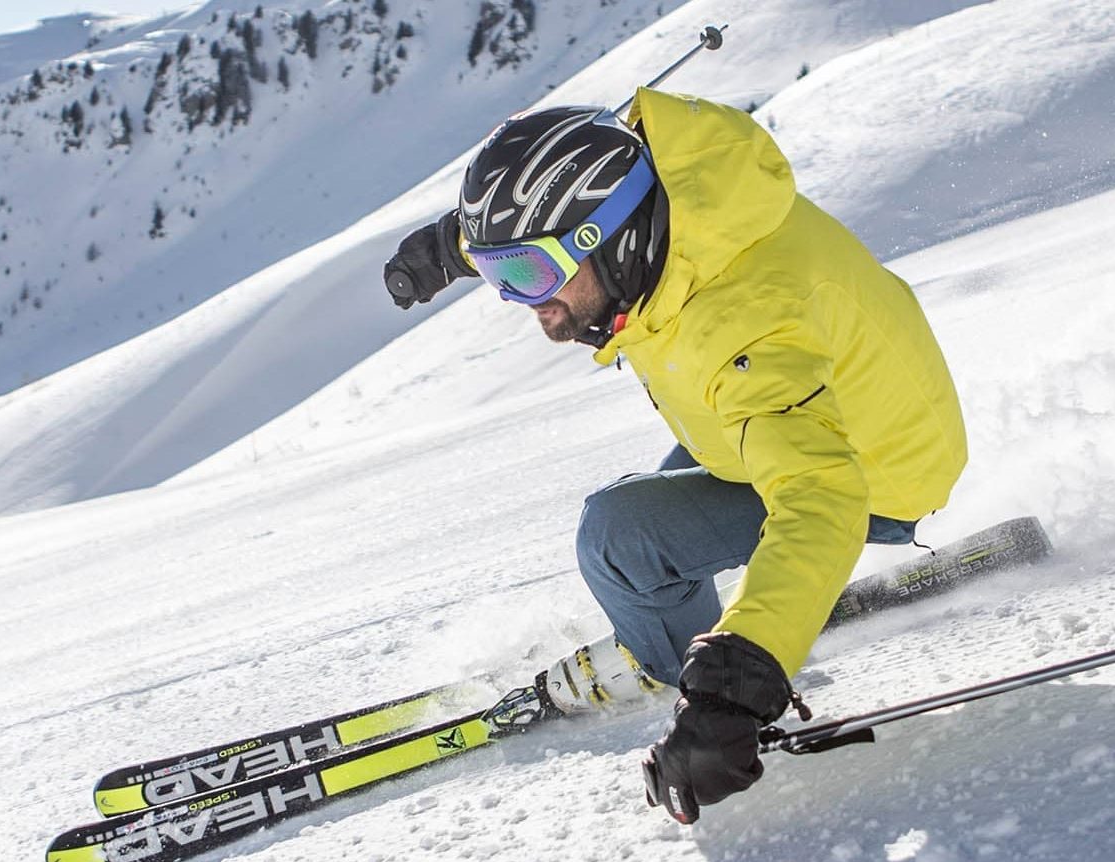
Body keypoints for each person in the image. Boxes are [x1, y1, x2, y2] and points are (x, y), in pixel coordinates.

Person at [382, 88, 967, 823]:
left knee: (621, 538)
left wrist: (732, 692)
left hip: (869, 471)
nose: (524, 304)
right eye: (502, 277)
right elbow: (550, 219)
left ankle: (672, 668)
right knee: (647, 527)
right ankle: (700, 622)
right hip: (818, 420)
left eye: (526, 275)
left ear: (609, 240)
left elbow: (823, 498)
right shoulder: (673, 200)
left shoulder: (743, 323)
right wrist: (453, 250)